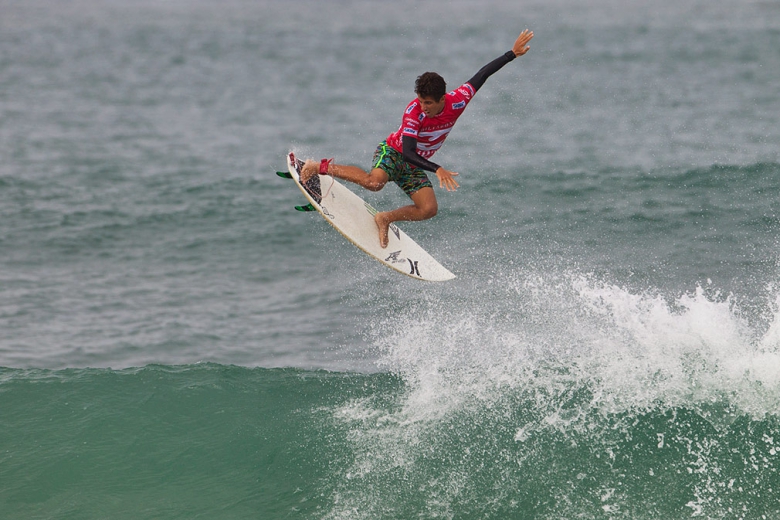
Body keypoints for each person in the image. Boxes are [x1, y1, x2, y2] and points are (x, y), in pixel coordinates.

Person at [301, 29, 534, 248]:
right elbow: (408, 151)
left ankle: (385, 218)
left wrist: (511, 54)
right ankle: (318, 166)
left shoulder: (459, 100)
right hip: (394, 152)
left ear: (443, 99)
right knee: (374, 183)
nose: (423, 107)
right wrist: (438, 168)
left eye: (428, 103)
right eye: (421, 101)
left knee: (429, 209)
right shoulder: (414, 112)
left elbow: (482, 74)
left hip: (413, 163)